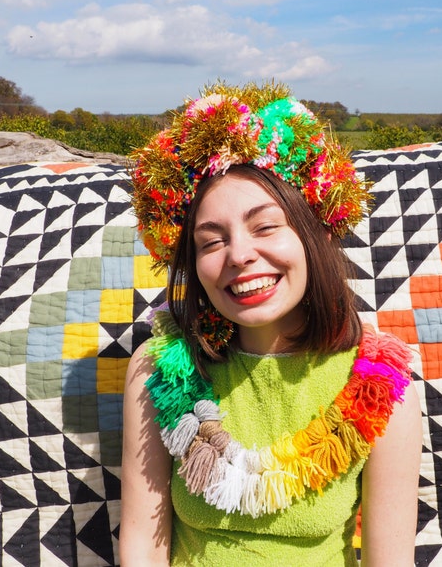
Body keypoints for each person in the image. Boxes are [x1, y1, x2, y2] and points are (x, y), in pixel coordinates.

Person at [120, 81, 422, 566]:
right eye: (211, 241)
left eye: (265, 226)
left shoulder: (379, 385)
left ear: (314, 235)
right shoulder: (158, 372)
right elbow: (142, 546)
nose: (239, 255)